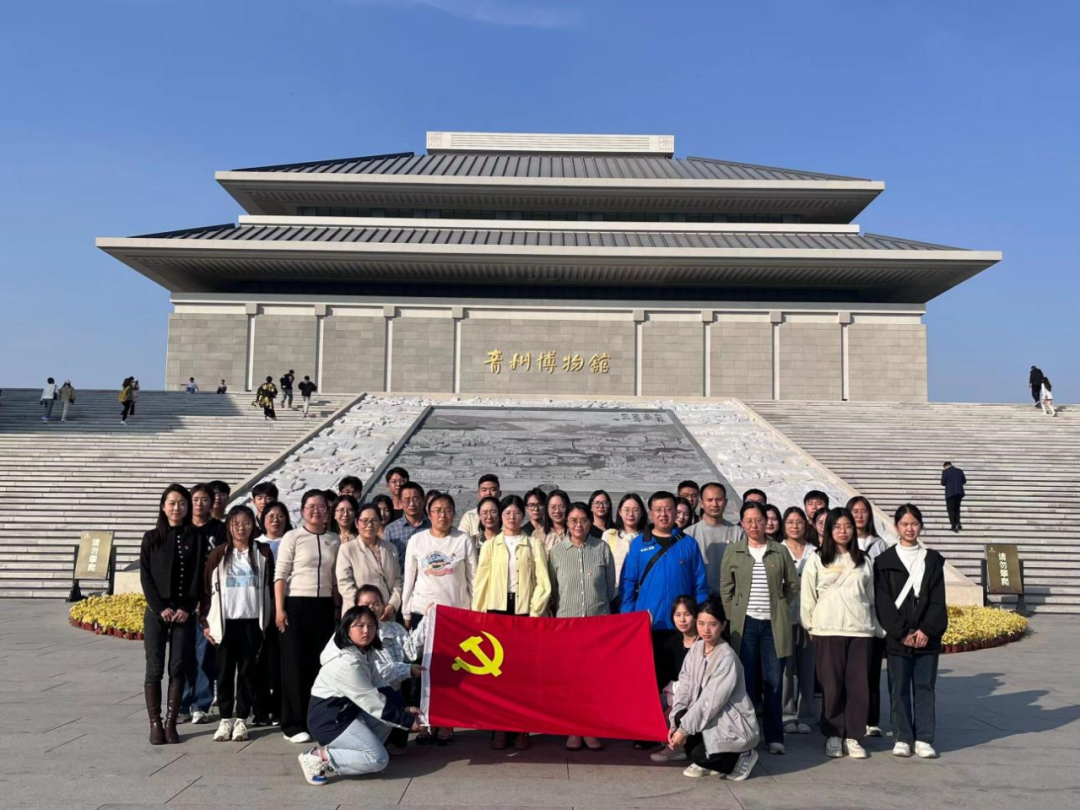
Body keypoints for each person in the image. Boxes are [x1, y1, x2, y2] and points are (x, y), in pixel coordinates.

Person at [621, 490, 710, 749]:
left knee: (682, 683)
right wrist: (629, 621)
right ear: (651, 513)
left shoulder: (688, 544)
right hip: (648, 627)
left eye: (668, 509)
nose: (663, 514)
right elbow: (627, 584)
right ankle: (647, 732)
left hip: (682, 629)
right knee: (649, 682)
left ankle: (681, 733)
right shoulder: (639, 545)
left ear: (676, 512)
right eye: (658, 509)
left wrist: (699, 621)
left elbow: (700, 585)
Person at [300, 607, 420, 786]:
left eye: (371, 625)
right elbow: (373, 702)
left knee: (386, 722)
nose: (366, 631)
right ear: (347, 628)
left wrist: (404, 708)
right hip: (329, 721)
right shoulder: (345, 663)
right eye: (360, 626)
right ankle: (318, 757)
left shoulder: (365, 650)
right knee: (379, 759)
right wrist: (408, 721)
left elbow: (381, 685)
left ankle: (347, 752)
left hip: (350, 713)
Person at [800, 507, 881, 760]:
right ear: (828, 530)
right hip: (828, 629)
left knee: (858, 686)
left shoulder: (864, 560)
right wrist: (810, 625)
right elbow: (807, 595)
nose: (842, 531)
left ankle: (854, 736)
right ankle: (834, 735)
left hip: (860, 631)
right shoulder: (817, 558)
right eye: (837, 526)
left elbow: (871, 598)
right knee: (832, 685)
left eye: (847, 526)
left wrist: (875, 627)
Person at [719, 501, 799, 754]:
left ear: (766, 522)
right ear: (742, 523)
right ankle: (747, 734)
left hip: (773, 625)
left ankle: (774, 736)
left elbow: (792, 585)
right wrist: (733, 615)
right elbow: (726, 588)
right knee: (746, 681)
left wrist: (779, 604)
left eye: (759, 520)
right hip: (745, 624)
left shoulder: (780, 551)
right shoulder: (734, 551)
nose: (754, 525)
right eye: (749, 521)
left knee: (773, 682)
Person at [473, 494, 551, 751]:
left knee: (521, 674)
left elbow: (543, 582)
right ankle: (498, 727)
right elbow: (481, 582)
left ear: (523, 515)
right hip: (497, 612)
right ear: (500, 515)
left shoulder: (533, 544)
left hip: (523, 612)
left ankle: (521, 728)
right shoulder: (490, 545)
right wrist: (479, 615)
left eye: (517, 513)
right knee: (498, 674)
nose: (512, 517)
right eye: (507, 513)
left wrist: (535, 612)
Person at [400, 492, 476, 745]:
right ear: (429, 514)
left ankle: (446, 722)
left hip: (454, 616)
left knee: (449, 671)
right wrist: (406, 611)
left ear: (454, 513)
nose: (442, 515)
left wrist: (475, 613)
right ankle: (424, 721)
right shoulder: (417, 540)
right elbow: (409, 578)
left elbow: (473, 579)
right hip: (424, 613)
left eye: (447, 510)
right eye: (437, 510)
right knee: (423, 668)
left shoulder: (462, 540)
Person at [875, 504, 948, 759]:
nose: (909, 528)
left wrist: (927, 630)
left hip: (927, 638)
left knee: (925, 687)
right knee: (899, 688)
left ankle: (924, 738)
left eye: (914, 523)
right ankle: (902, 737)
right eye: (904, 524)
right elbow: (883, 602)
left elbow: (938, 599)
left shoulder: (933, 560)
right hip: (899, 638)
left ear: (921, 526)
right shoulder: (884, 562)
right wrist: (902, 631)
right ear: (896, 527)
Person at [201, 505, 275, 743]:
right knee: (224, 673)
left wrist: (269, 619)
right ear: (229, 526)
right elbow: (206, 591)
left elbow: (270, 587)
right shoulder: (219, 554)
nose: (241, 528)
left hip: (252, 622)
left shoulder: (262, 552)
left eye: (246, 523)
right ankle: (225, 719)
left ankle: (242, 718)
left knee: (247, 672)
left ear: (253, 525)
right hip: (226, 623)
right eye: (236, 524)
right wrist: (205, 622)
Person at [665, 599, 760, 781]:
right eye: (701, 623)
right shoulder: (696, 649)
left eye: (712, 624)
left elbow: (710, 701)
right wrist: (675, 723)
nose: (706, 630)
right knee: (680, 717)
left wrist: (683, 731)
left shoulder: (727, 658)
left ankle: (743, 755)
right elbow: (684, 687)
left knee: (697, 754)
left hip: (728, 721)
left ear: (723, 626)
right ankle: (710, 758)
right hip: (708, 718)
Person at [274, 490, 342, 744]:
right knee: (294, 665)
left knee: (318, 664)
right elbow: (281, 574)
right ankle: (292, 724)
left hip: (323, 606)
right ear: (302, 511)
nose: (316, 510)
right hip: (296, 604)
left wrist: (337, 608)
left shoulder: (334, 539)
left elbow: (334, 578)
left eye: (321, 506)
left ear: (328, 511)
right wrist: (280, 609)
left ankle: (315, 719)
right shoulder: (292, 537)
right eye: (310, 506)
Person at [140, 484, 205, 745]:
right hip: (157, 611)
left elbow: (198, 575)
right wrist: (160, 607)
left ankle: (171, 722)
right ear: (163, 506)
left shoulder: (196, 538)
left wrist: (187, 607)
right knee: (154, 667)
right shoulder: (151, 538)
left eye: (182, 503)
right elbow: (146, 576)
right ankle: (155, 723)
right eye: (172, 503)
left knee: (178, 666)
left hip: (182, 614)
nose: (176, 508)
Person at [549, 502, 618, 750]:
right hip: (568, 626)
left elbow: (610, 588)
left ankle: (591, 728)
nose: (578, 525)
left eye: (583, 520)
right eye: (573, 520)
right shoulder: (557, 552)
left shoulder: (601, 548)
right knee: (571, 681)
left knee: (593, 681)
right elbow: (554, 590)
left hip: (596, 626)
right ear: (566, 523)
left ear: (590, 522)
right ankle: (573, 729)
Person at [355, 585, 425, 755]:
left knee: (397, 749)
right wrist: (407, 669)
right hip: (369, 697)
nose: (372, 608)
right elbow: (377, 672)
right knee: (372, 751)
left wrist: (427, 620)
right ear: (356, 606)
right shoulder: (354, 634)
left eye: (376, 604)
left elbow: (411, 651)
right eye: (366, 604)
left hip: (396, 693)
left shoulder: (394, 628)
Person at [180, 483, 226, 724]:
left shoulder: (219, 530)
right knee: (182, 654)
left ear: (211, 503)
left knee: (204, 654)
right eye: (195, 499)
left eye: (204, 499)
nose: (199, 504)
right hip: (182, 602)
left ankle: (201, 703)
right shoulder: (180, 529)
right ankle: (182, 703)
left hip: (208, 600)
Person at [847, 494, 892, 737]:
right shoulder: (842, 542)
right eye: (855, 511)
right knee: (851, 672)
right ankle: (852, 717)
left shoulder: (879, 544)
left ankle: (871, 720)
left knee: (872, 671)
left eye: (863, 511)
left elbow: (886, 583)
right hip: (848, 616)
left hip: (873, 615)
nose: (859, 515)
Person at [252, 500, 291, 726]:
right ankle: (260, 709)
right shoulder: (256, 544)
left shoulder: (292, 541)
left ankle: (278, 708)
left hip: (286, 608)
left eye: (280, 516)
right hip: (260, 609)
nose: (276, 520)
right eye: (271, 516)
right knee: (260, 661)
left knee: (281, 662)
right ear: (262, 519)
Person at [779, 506, 817, 735]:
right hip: (785, 618)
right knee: (785, 670)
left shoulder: (815, 552)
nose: (795, 526)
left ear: (806, 525)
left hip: (810, 619)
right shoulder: (778, 550)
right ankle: (786, 715)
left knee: (807, 669)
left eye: (799, 522)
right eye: (790, 522)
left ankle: (806, 715)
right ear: (784, 525)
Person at [650, 596, 699, 764]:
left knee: (674, 712)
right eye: (678, 615)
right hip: (675, 693)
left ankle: (677, 748)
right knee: (651, 703)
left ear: (696, 616)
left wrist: (673, 706)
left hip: (697, 697)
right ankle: (669, 742)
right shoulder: (671, 644)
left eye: (687, 614)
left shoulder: (704, 642)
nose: (682, 620)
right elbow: (665, 678)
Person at [336, 502, 401, 620]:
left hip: (385, 613)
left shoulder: (390, 548)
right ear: (357, 523)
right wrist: (365, 607)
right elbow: (344, 583)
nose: (369, 525)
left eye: (374, 521)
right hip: (357, 614)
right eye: (364, 521)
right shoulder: (347, 549)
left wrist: (392, 605)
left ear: (380, 523)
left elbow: (397, 580)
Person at [685, 482, 744, 596]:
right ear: (702, 503)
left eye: (718, 499)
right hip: (701, 597)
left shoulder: (738, 533)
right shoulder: (689, 534)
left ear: (725, 502)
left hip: (730, 596)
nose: (714, 504)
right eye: (710, 500)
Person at [384, 482, 431, 573]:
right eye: (407, 500)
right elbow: (387, 560)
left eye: (416, 499)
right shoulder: (391, 530)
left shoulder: (433, 526)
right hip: (401, 578)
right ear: (401, 502)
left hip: (428, 578)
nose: (412, 504)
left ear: (423, 500)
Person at [603, 493, 647, 587]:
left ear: (641, 513)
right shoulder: (609, 535)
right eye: (626, 510)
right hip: (614, 591)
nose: (630, 514)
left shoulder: (648, 537)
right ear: (620, 511)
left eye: (635, 510)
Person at [541, 488, 572, 553]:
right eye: (553, 507)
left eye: (562, 506)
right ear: (547, 509)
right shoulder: (538, 533)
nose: (557, 511)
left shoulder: (575, 531)